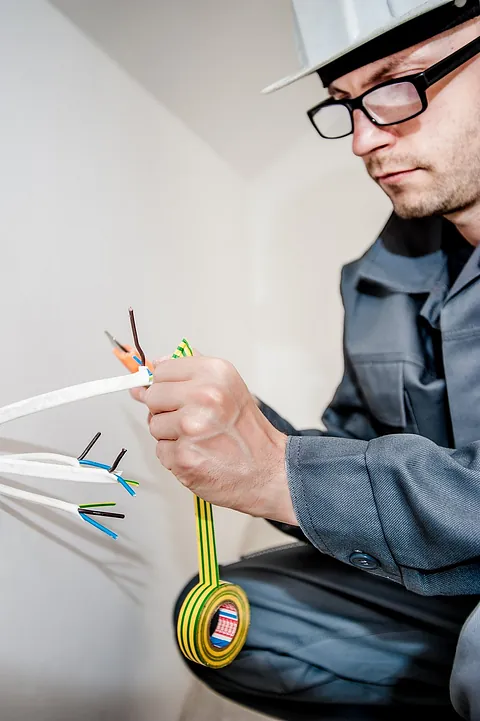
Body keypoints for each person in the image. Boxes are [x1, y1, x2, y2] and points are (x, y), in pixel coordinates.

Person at [132, 1, 480, 718]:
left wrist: (276, 471)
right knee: (231, 623)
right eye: (345, 105)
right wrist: (252, 438)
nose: (361, 139)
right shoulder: (378, 279)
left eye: (394, 84)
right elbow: (356, 462)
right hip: (450, 577)